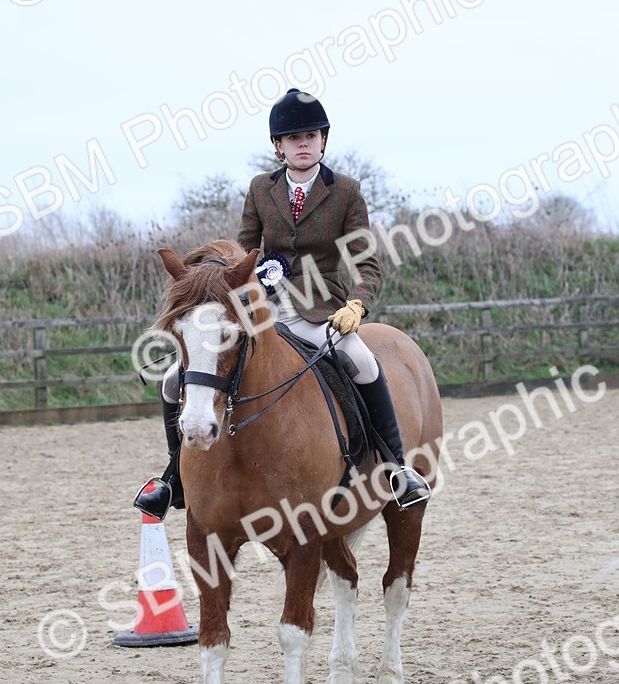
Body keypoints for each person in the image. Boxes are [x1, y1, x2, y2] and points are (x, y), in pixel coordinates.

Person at [134, 88, 431, 518]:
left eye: (311, 135)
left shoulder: (346, 191)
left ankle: (396, 469)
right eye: (294, 138)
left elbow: (368, 264)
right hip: (260, 311)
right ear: (279, 146)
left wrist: (357, 306)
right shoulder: (260, 189)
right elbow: (241, 253)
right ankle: (174, 477)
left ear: (323, 141)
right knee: (171, 379)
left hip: (320, 310)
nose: (304, 143)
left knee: (363, 361)